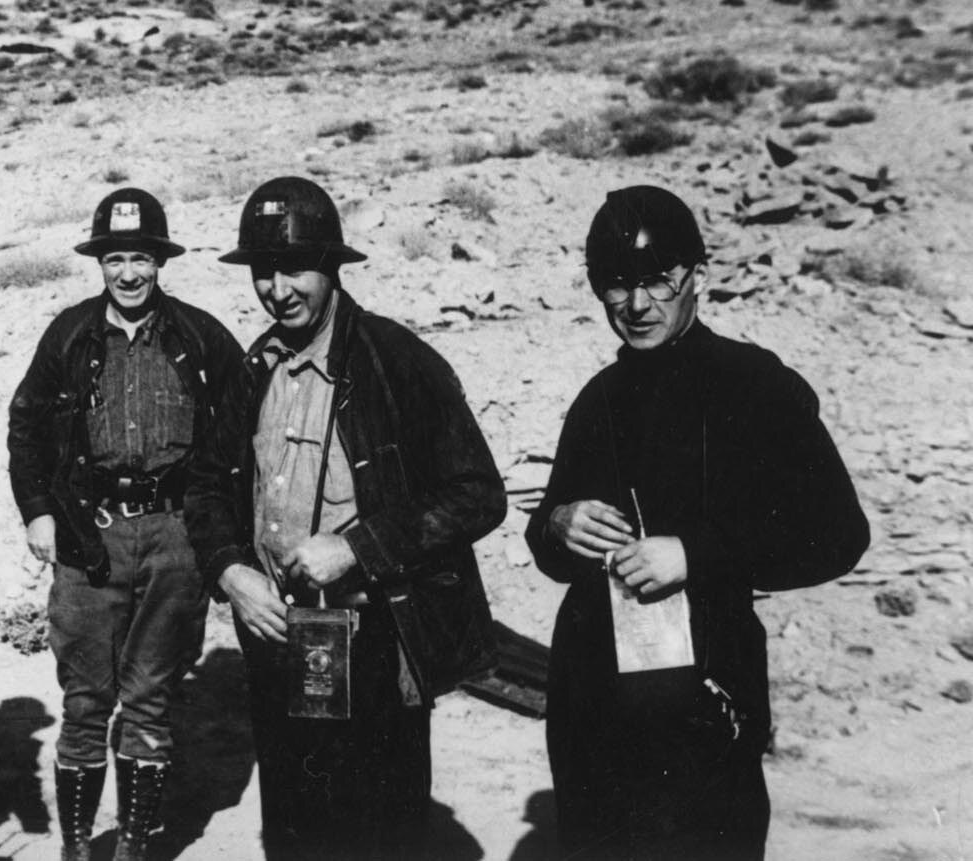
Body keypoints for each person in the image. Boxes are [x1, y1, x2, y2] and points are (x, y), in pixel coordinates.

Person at [525, 184, 870, 860]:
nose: (637, 304)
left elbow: (837, 531)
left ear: (698, 278)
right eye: (616, 286)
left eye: (657, 280)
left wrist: (697, 552)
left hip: (706, 699)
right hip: (596, 705)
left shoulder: (755, 384)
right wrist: (558, 525)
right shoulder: (598, 399)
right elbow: (548, 542)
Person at [183, 176, 506, 859]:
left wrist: (358, 546)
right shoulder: (256, 365)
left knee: (380, 835)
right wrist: (230, 571)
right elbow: (207, 484)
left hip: (377, 641)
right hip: (276, 639)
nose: (278, 289)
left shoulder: (398, 362)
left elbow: (477, 493)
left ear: (331, 266)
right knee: (296, 830)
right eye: (264, 272)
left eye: (295, 269)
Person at [6, 187, 242, 861]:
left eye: (141, 257)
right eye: (116, 258)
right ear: (99, 262)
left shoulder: (199, 336)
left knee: (151, 698)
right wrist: (38, 512)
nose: (129, 273)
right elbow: (26, 424)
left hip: (176, 537)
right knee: (85, 699)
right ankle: (80, 847)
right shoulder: (71, 334)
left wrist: (224, 530)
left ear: (160, 261)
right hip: (89, 535)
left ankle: (135, 846)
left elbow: (238, 426)